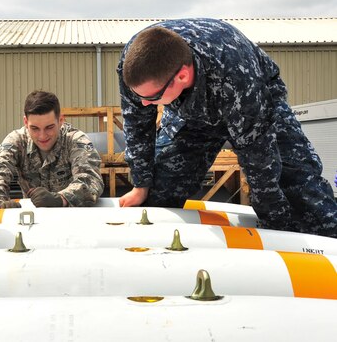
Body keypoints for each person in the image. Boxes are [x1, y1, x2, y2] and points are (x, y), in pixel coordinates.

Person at [117, 18, 337, 238]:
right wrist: (141, 183)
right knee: (160, 189)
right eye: (140, 97)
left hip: (254, 102)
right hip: (190, 114)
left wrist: (274, 226)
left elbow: (258, 157)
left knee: (300, 188)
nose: (144, 103)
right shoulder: (136, 64)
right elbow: (137, 124)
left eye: (152, 97)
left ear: (182, 76)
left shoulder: (236, 72)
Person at [0, 90, 104, 208]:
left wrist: (61, 199)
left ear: (60, 120)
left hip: (70, 217)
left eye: (49, 127)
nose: (42, 136)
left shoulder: (75, 141)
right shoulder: (17, 141)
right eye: (35, 128)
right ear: (26, 122)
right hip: (32, 221)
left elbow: (91, 180)